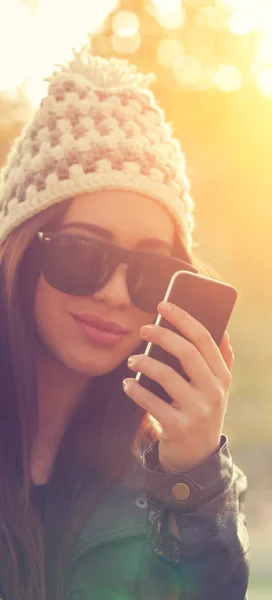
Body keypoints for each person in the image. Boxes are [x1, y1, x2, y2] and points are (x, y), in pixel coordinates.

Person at [0, 49, 249, 600]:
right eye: (81, 254)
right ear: (21, 254)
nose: (113, 293)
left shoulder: (176, 479)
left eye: (150, 270)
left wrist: (194, 480)